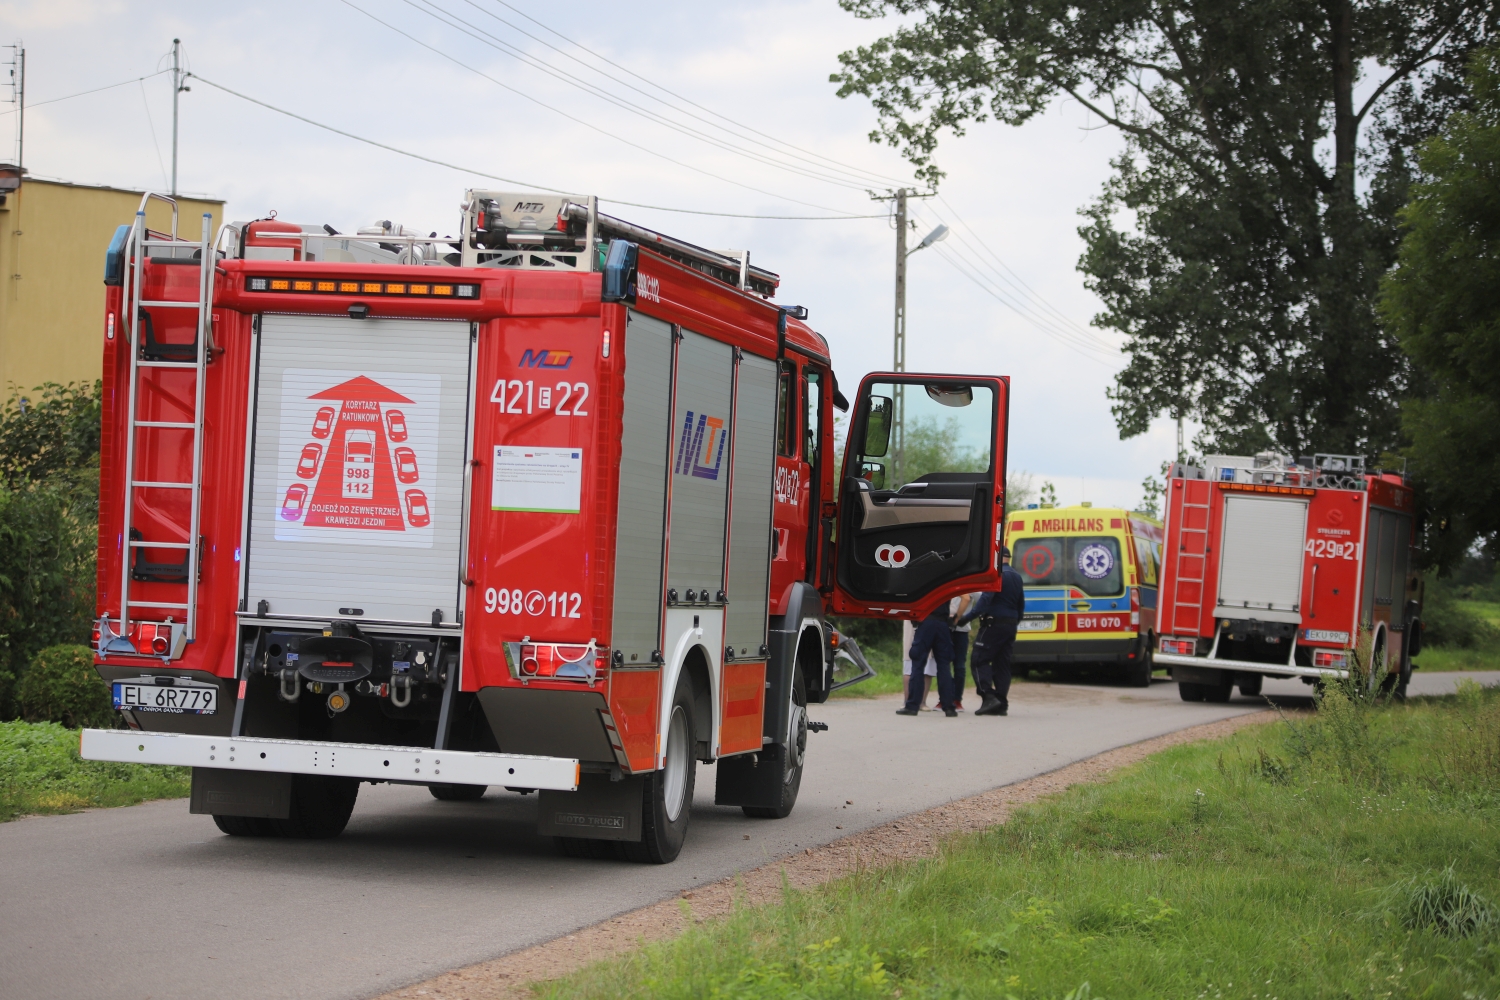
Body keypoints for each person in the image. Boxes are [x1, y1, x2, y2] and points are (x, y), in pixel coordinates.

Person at [958, 546, 1025, 716]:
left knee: (978, 660)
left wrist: (967, 617)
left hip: (993, 624)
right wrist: (1013, 622)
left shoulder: (996, 573)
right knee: (1002, 665)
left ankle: (988, 697)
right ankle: (1002, 704)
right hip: (1010, 625)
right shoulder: (1017, 576)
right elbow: (1021, 605)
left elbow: (986, 599)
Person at [895, 602, 958, 718]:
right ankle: (949, 707)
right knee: (944, 667)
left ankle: (912, 706)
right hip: (943, 624)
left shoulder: (923, 582)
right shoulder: (945, 583)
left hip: (925, 622)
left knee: (918, 665)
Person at [950, 593, 977, 710]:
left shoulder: (970, 582)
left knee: (959, 666)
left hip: (961, 628)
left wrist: (969, 616)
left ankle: (956, 699)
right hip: (945, 626)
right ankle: (946, 698)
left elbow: (983, 599)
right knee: (944, 665)